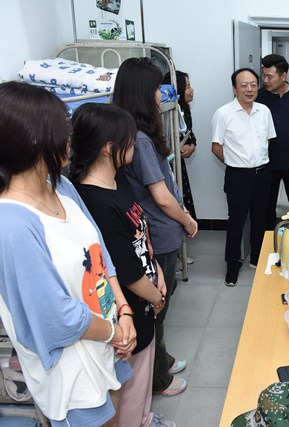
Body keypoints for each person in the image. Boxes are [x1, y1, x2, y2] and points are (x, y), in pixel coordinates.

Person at [0, 81, 136, 426]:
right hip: (72, 370)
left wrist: (124, 311)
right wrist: (114, 332)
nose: (70, 138)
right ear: (34, 139)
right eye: (63, 128)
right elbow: (55, 317)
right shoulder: (11, 224)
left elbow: (100, 253)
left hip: (106, 342)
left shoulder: (61, 186)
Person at [69, 103, 176, 427]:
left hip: (146, 296)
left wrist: (157, 271)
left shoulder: (118, 180)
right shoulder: (93, 200)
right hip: (129, 304)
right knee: (130, 383)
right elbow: (124, 270)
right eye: (129, 139)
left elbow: (140, 233)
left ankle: (144, 418)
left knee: (143, 375)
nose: (134, 144)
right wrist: (156, 296)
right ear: (108, 147)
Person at [113, 57, 197, 396]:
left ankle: (162, 359)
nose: (163, 95)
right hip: (158, 233)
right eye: (157, 88)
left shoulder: (134, 134)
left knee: (159, 303)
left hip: (156, 230)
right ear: (142, 92)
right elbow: (161, 197)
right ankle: (158, 378)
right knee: (157, 307)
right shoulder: (141, 140)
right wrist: (187, 219)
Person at [212, 68, 276, 286]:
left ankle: (257, 258)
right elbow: (216, 147)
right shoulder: (223, 114)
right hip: (238, 176)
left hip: (263, 174)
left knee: (260, 218)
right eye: (244, 85)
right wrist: (236, 163)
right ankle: (232, 265)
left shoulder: (264, 111)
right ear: (234, 88)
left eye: (253, 85)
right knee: (236, 221)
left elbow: (268, 140)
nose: (249, 89)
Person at [257, 54, 289, 228]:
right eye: (264, 75)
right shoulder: (259, 96)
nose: (265, 80)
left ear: (283, 76)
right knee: (267, 204)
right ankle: (268, 239)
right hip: (267, 161)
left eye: (269, 76)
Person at [163, 70, 197, 221]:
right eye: (188, 86)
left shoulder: (184, 109)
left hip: (178, 164)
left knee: (183, 198)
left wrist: (191, 146)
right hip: (167, 164)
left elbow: (190, 133)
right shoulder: (166, 112)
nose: (192, 90)